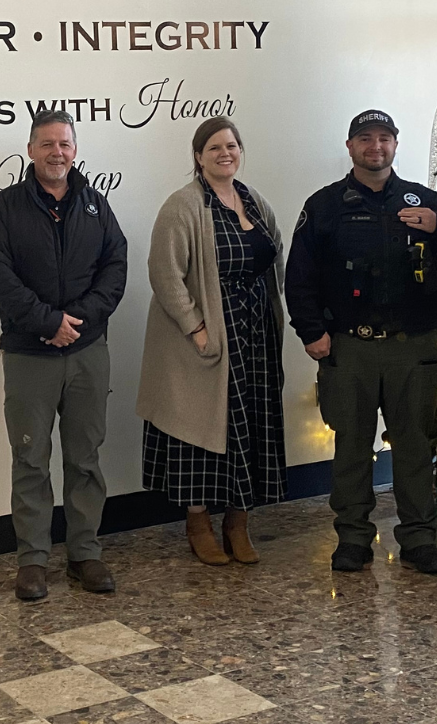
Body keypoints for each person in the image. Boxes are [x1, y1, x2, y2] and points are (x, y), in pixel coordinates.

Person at [285, 109, 437, 575]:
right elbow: (299, 277)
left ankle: (419, 538)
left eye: (384, 138)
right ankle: (354, 538)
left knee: (415, 445)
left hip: (412, 347)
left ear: (396, 146)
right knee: (352, 446)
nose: (375, 146)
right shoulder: (324, 205)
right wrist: (311, 333)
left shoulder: (424, 202)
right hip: (350, 347)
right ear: (350, 146)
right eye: (365, 138)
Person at [0, 109, 129, 601]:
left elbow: (115, 266)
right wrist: (48, 323)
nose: (56, 153)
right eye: (47, 144)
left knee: (85, 457)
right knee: (30, 458)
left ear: (75, 149)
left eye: (64, 144)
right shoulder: (5, 209)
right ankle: (34, 560)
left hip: (88, 351)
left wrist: (77, 323)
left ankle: (84, 553)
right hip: (29, 353)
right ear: (30, 150)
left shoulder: (94, 205)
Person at [138, 117, 288, 566]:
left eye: (233, 145)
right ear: (198, 156)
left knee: (252, 428)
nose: (226, 153)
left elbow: (274, 255)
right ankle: (199, 524)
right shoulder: (183, 206)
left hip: (255, 336)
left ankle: (238, 524)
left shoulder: (253, 201)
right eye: (215, 147)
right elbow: (164, 274)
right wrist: (196, 328)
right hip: (204, 343)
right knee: (200, 435)